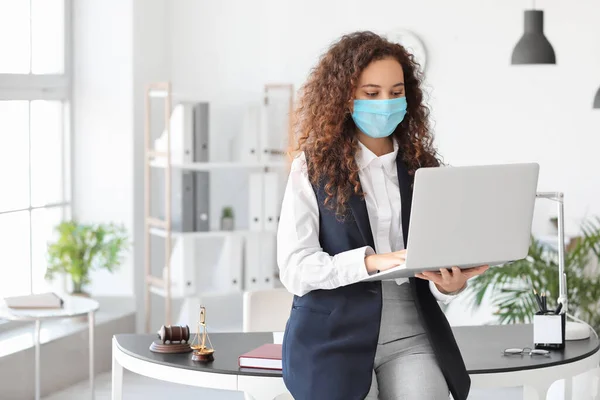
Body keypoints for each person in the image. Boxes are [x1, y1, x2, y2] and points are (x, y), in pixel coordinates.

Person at [276, 31, 489, 400]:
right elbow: (295, 268)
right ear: (345, 98)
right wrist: (373, 262)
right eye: (371, 94)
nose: (385, 103)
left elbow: (432, 261)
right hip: (334, 335)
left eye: (396, 92)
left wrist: (448, 284)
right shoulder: (310, 168)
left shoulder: (424, 169)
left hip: (412, 332)